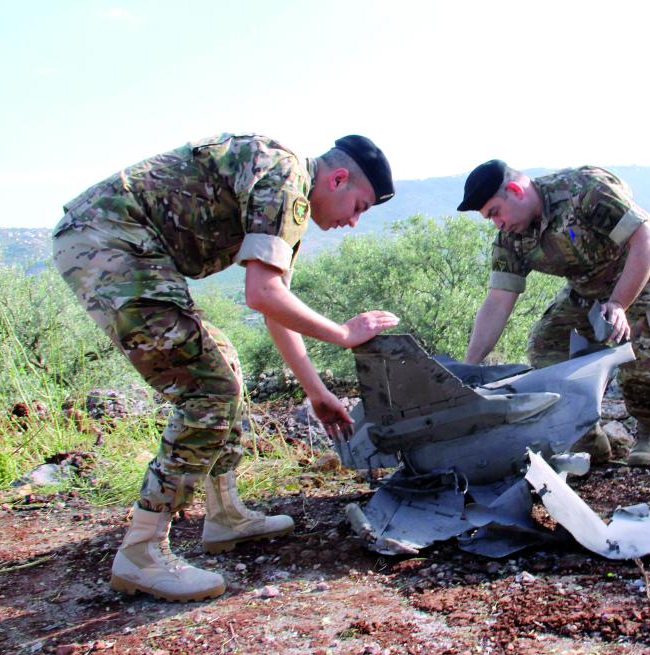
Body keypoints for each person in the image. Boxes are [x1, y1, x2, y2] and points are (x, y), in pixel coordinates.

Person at [53, 133, 399, 602]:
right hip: (109, 243)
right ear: (338, 178)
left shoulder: (286, 189)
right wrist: (343, 334)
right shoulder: (287, 180)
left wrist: (317, 393)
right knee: (209, 389)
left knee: (224, 362)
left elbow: (272, 304)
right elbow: (263, 294)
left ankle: (224, 515)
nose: (354, 222)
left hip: (120, 244)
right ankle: (141, 550)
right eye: (358, 205)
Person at [457, 160, 650, 468]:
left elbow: (647, 241)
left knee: (642, 352)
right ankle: (588, 440)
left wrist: (618, 304)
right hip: (589, 285)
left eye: (495, 212)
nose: (496, 223)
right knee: (547, 345)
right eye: (489, 218)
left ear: (515, 190)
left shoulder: (584, 191)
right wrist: (467, 371)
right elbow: (498, 302)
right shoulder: (511, 238)